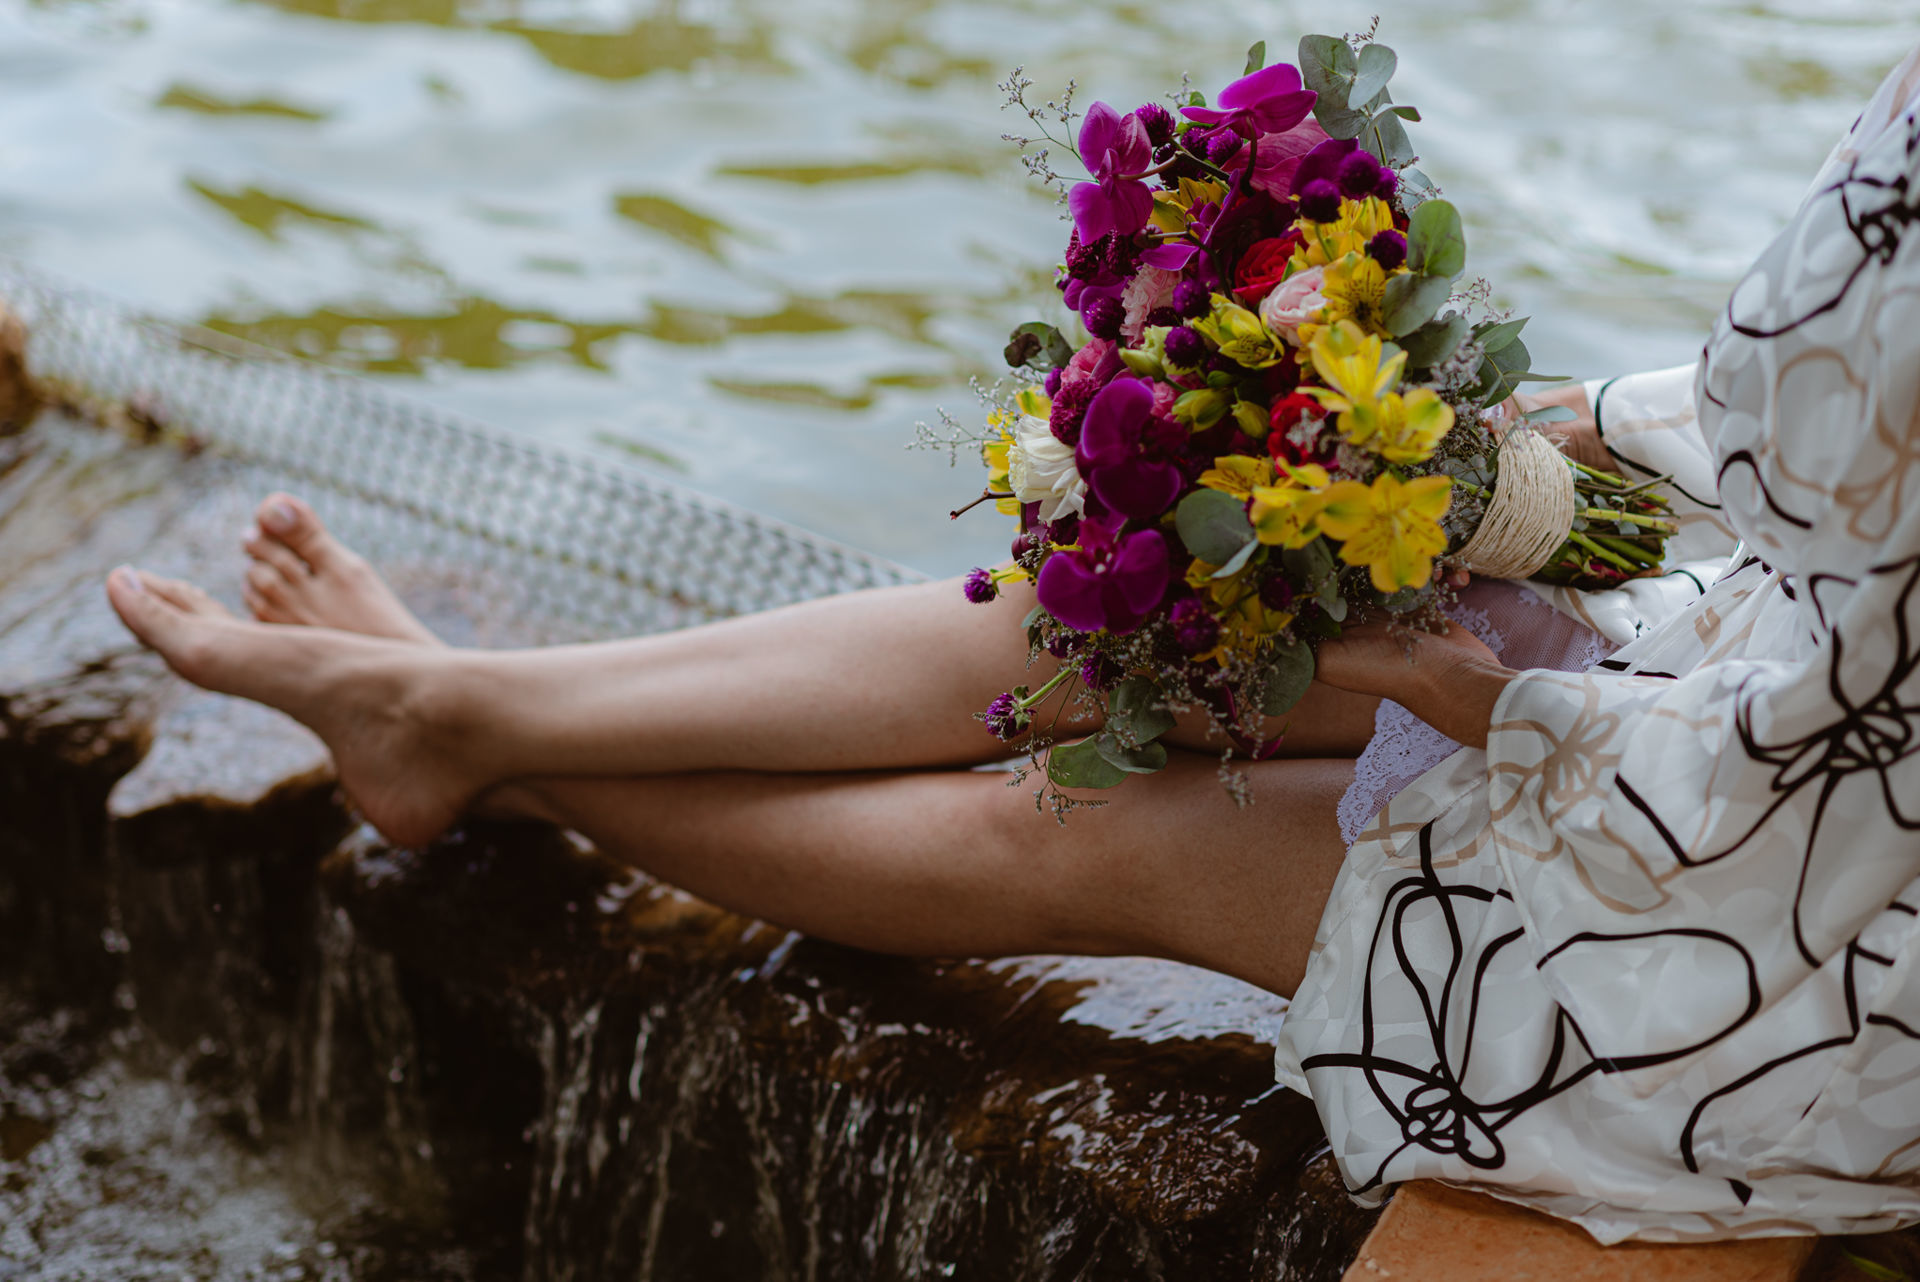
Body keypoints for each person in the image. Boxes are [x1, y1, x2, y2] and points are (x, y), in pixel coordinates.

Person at [103, 44, 1920, 1244]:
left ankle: (457, 729)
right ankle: (458, 704)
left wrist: (1491, 704)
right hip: (1767, 682)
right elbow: (1820, 440)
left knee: (1097, 818)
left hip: (1809, 925)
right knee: (1111, 628)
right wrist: (1555, 439)